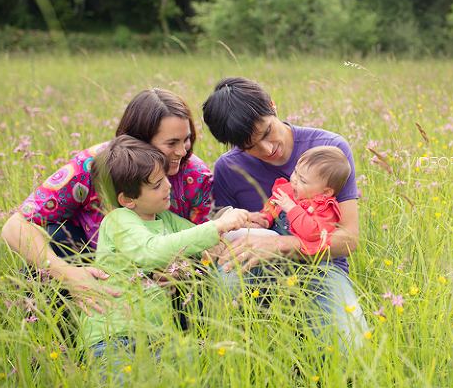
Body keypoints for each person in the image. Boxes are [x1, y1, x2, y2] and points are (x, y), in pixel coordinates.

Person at [1, 88, 215, 313]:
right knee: (55, 236)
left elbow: (205, 242)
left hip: (160, 281)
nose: (181, 151)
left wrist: (179, 268)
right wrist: (67, 274)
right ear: (138, 140)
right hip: (95, 270)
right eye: (171, 143)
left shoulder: (195, 176)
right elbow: (15, 226)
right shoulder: (93, 166)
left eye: (187, 139)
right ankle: (56, 338)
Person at [201, 77, 367, 353]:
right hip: (253, 266)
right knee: (226, 295)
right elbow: (223, 242)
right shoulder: (227, 168)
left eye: (266, 132)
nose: (267, 150)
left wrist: (282, 244)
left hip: (319, 266)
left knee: (350, 350)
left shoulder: (329, 149)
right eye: (249, 146)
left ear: (273, 106)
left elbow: (348, 240)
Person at [81, 135, 248, 379]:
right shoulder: (119, 221)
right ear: (127, 200)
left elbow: (196, 239)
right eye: (156, 185)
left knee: (201, 372)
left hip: (155, 335)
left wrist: (226, 234)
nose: (168, 186)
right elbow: (152, 251)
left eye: (165, 179)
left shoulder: (165, 219)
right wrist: (215, 228)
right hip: (113, 336)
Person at [223, 146, 351, 258]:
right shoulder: (290, 188)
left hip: (295, 251)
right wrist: (266, 218)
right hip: (272, 237)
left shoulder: (324, 208)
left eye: (303, 180)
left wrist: (292, 208)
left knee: (241, 239)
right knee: (237, 231)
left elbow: (313, 234)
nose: (294, 179)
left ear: (325, 192)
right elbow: (273, 202)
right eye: (295, 172)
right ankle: (219, 237)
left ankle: (223, 241)